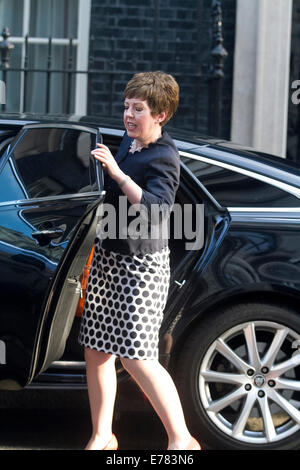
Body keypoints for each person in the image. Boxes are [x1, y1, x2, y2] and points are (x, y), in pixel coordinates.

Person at [78, 71, 201, 451]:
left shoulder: (164, 156)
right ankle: (103, 435)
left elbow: (158, 210)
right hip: (109, 260)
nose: (128, 115)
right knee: (97, 350)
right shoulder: (129, 144)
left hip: (142, 268)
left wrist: (115, 173)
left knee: (137, 356)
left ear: (161, 114)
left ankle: (182, 439)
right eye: (126, 107)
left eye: (139, 109)